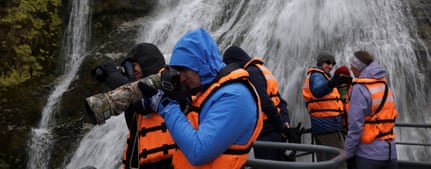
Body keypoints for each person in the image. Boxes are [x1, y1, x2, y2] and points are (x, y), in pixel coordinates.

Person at [138, 28, 263, 169]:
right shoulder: (208, 92)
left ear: (200, 64)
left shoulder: (235, 96)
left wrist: (165, 105)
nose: (182, 78)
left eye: (185, 70)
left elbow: (198, 152)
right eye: (179, 72)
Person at [92, 43, 174, 169]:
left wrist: (113, 77)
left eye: (134, 65)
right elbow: (135, 107)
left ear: (147, 62)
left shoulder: (170, 81)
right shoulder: (136, 103)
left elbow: (145, 103)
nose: (133, 70)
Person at [222, 45, 296, 162]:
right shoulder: (262, 69)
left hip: (267, 132)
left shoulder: (250, 73)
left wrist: (282, 127)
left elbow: (265, 103)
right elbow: (280, 101)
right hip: (276, 130)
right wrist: (285, 124)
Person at [344, 51, 398, 169]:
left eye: (352, 65)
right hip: (390, 152)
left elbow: (355, 126)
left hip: (368, 155)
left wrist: (348, 153)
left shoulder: (360, 88)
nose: (350, 69)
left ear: (358, 67)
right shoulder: (384, 85)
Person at [302, 51, 351, 166]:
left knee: (329, 162)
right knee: (339, 163)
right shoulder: (317, 75)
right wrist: (332, 83)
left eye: (333, 64)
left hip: (330, 126)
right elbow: (318, 91)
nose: (330, 66)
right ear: (320, 62)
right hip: (327, 127)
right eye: (327, 62)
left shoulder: (324, 77)